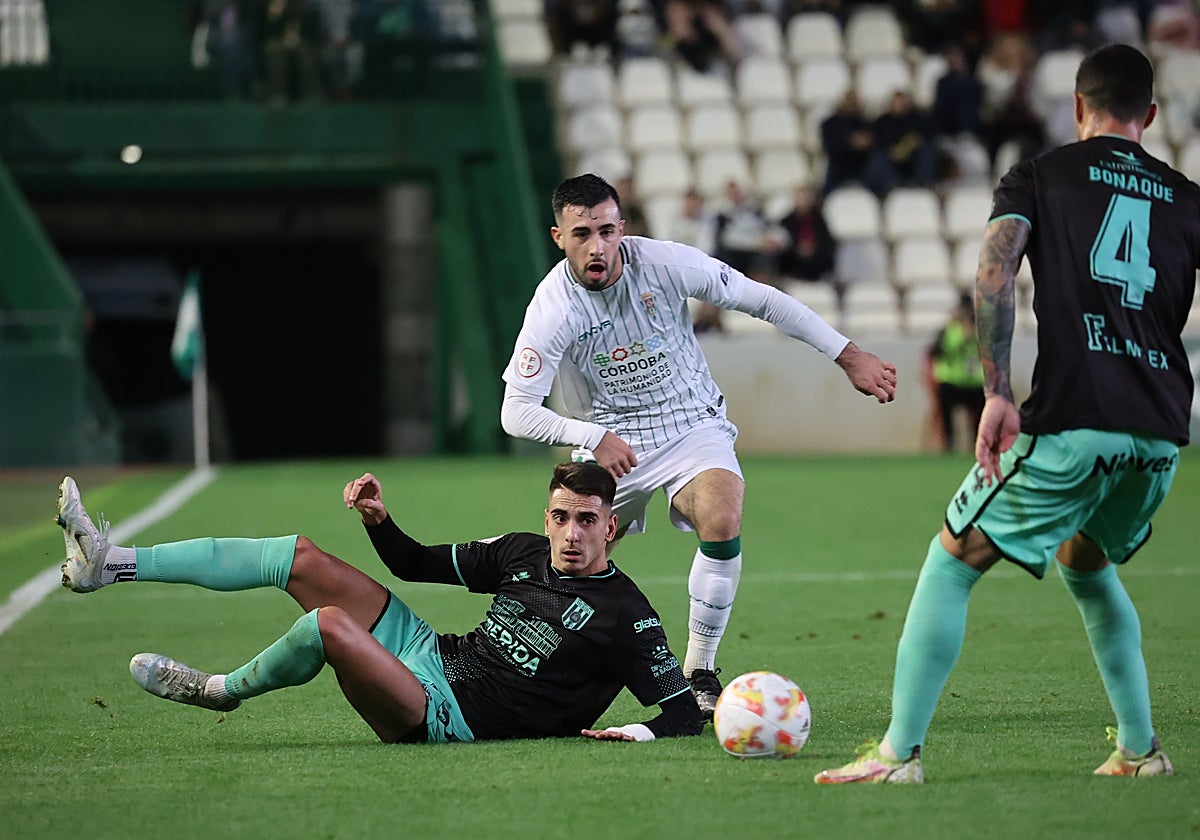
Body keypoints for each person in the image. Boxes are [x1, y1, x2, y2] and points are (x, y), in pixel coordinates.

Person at [816, 43, 1195, 784]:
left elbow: (995, 273)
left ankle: (899, 754)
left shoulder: (1043, 174)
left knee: (951, 559)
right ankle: (1140, 749)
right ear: (1149, 114)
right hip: (1160, 431)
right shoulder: (1187, 196)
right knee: (1085, 563)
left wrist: (997, 390)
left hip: (1076, 418)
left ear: (1079, 107)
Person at [500, 173, 898, 718]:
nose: (598, 246)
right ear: (558, 236)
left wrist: (848, 355)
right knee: (572, 562)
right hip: (607, 434)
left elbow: (762, 300)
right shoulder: (552, 308)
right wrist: (593, 436)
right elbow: (515, 412)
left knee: (721, 512)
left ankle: (700, 669)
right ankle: (540, 676)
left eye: (608, 230)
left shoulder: (665, 262)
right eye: (581, 233)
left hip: (690, 423)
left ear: (623, 228)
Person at [55, 462, 704, 744]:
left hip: (447, 720)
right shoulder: (521, 551)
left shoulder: (627, 613)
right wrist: (377, 520)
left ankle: (221, 689)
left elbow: (682, 713)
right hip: (427, 655)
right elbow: (414, 564)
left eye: (587, 520)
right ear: (548, 516)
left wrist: (638, 729)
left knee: (330, 627)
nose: (571, 532)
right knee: (300, 555)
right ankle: (109, 565)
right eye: (561, 516)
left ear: (611, 528)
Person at [924, 291, 984, 453]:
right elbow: (937, 352)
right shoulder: (949, 329)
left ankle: (977, 446)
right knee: (947, 418)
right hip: (951, 380)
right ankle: (948, 446)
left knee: (980, 419)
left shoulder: (982, 329)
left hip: (974, 382)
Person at [776, 184, 836, 284]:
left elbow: (827, 242)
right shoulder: (786, 221)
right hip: (793, 264)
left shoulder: (820, 221)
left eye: (807, 199)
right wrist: (797, 248)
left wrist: (813, 248)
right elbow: (782, 243)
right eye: (801, 199)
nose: (804, 203)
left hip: (817, 262)